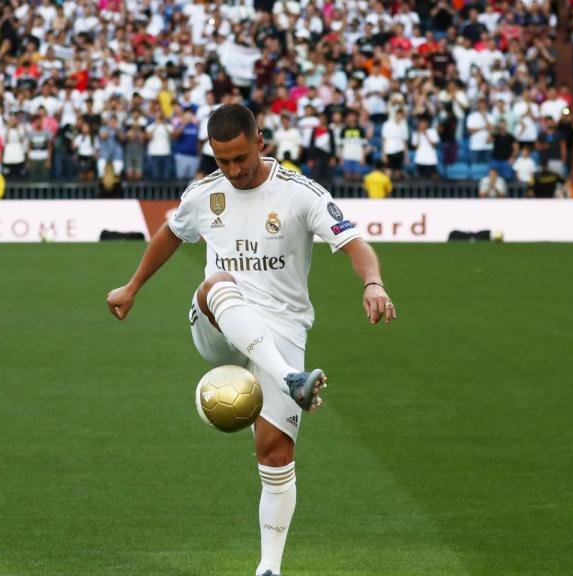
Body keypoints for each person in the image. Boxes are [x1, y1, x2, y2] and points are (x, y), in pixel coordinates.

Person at [106, 104, 395, 576]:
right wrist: (132, 286)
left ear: (261, 141)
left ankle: (268, 568)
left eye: (241, 157)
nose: (234, 170)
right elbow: (171, 233)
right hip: (216, 324)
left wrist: (373, 283)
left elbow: (353, 243)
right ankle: (290, 379)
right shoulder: (204, 194)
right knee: (218, 282)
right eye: (223, 161)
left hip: (282, 327)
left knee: (275, 453)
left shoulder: (302, 194)